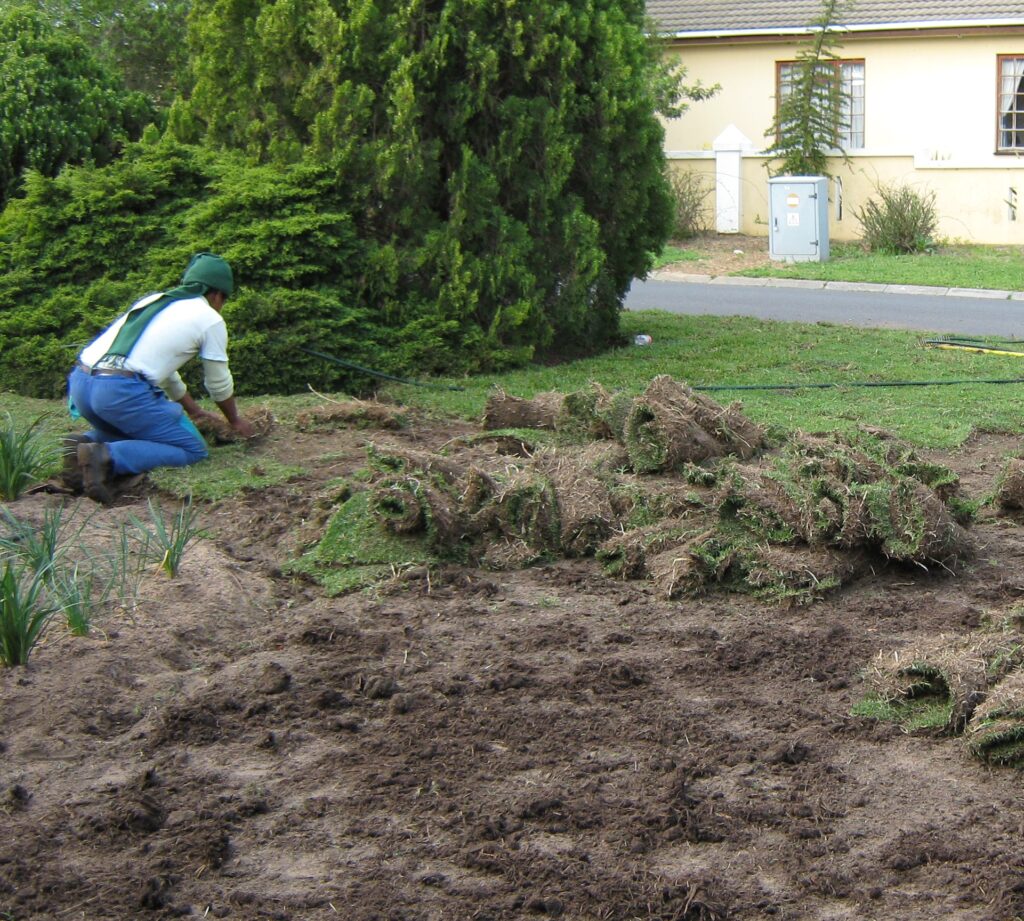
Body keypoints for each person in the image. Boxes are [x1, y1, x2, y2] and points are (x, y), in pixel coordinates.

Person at [66, 252, 255, 503]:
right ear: (218, 294)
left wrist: (194, 411)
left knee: (146, 432)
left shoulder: (154, 301)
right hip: (119, 392)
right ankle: (105, 456)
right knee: (193, 449)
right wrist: (235, 420)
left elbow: (164, 372)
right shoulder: (210, 319)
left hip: (81, 384)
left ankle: (84, 443)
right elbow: (218, 383)